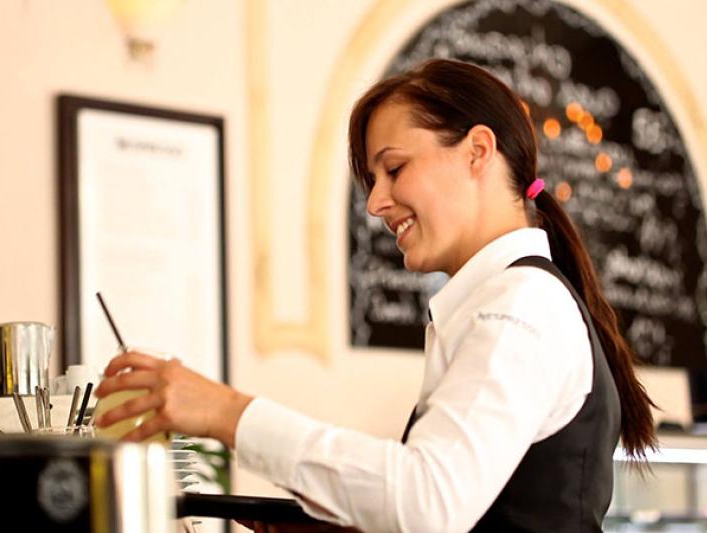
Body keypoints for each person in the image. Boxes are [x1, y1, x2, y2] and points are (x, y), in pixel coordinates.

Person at [94, 59, 656, 532]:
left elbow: (427, 500)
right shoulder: (506, 300)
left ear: (478, 152)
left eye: (394, 169)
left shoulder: (520, 305)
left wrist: (226, 413)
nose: (375, 204)